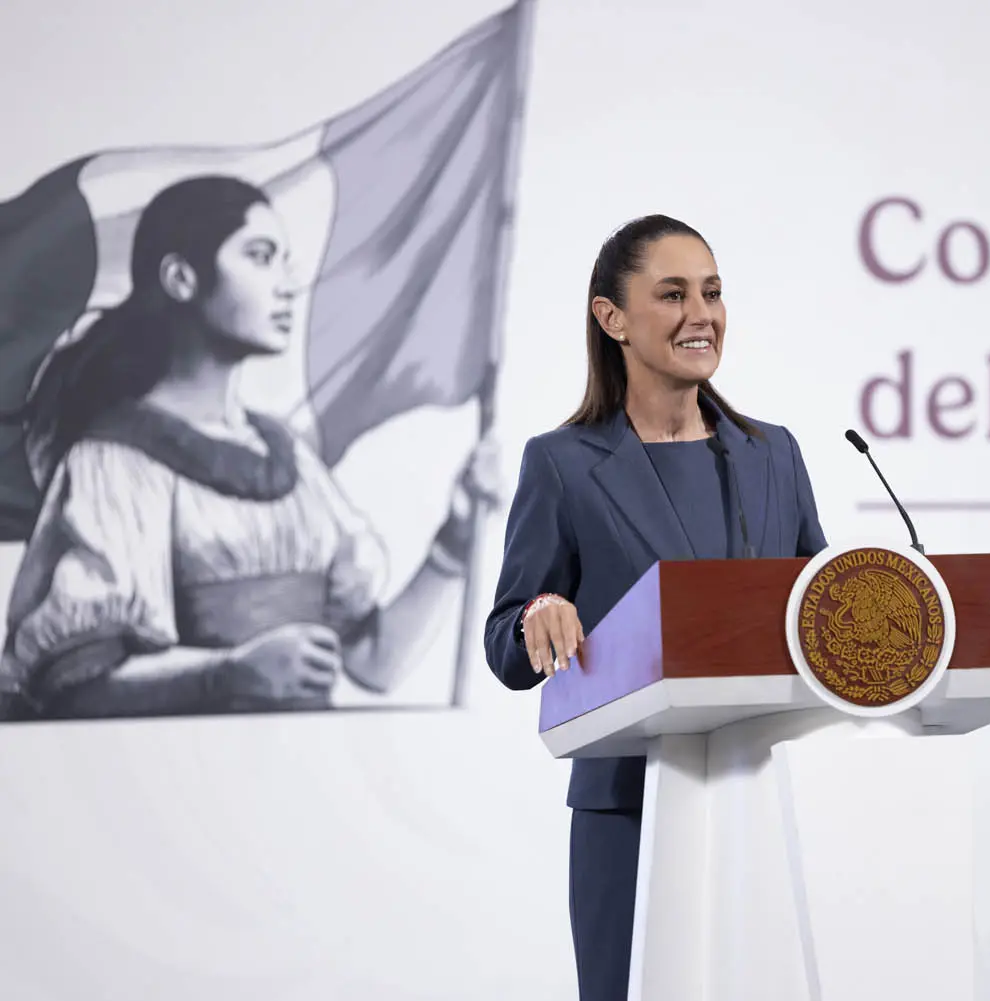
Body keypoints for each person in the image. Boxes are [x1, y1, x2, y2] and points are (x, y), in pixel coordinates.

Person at [0, 174, 499, 720]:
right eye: (260, 257)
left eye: (285, 260)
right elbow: (77, 688)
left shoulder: (289, 458)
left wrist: (455, 541)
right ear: (181, 278)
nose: (286, 285)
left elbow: (372, 662)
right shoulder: (113, 462)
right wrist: (229, 672)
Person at [483, 214, 828, 1000]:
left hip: (767, 799)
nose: (700, 313)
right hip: (627, 808)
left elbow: (822, 611)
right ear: (613, 318)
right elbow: (506, 641)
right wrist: (540, 610)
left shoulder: (774, 453)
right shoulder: (563, 464)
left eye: (711, 292)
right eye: (672, 294)